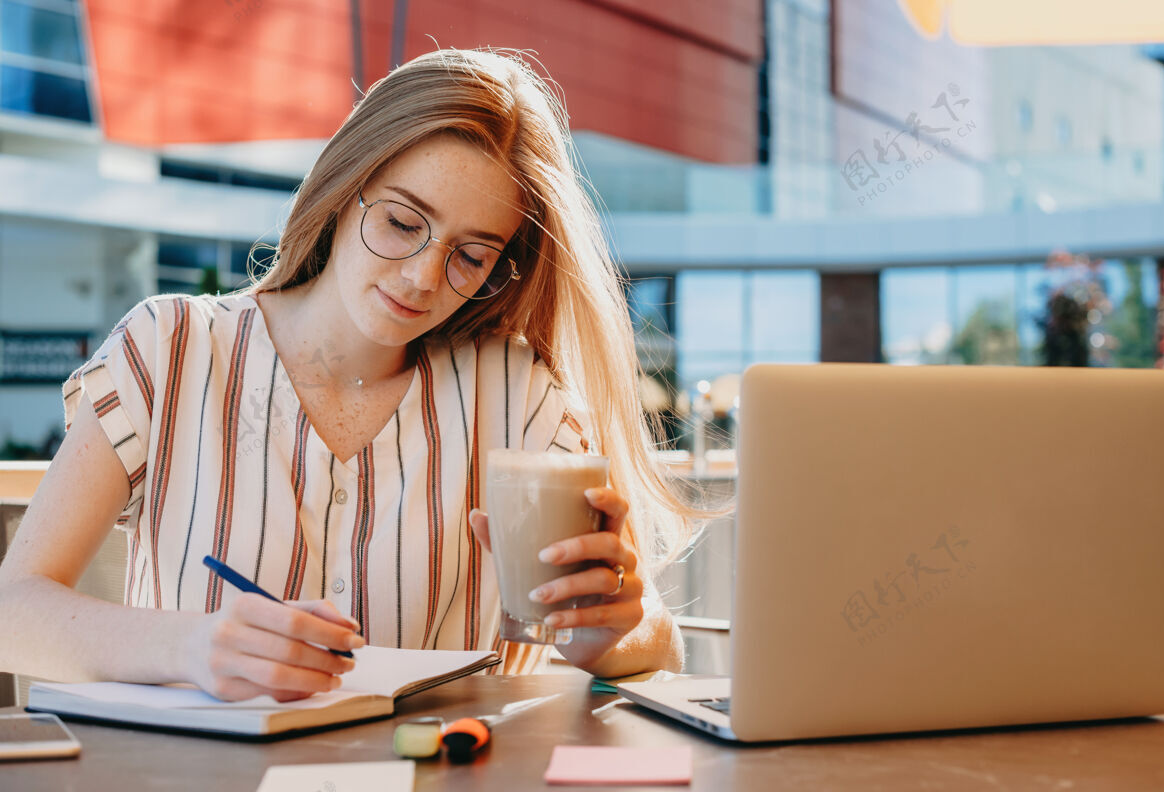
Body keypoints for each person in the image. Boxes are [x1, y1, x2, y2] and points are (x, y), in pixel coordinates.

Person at [0, 48, 702, 702]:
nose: (424, 278)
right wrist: (193, 647)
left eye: (471, 255)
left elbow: (652, 641)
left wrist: (614, 628)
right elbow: (14, 610)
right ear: (344, 189)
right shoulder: (170, 347)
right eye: (402, 223)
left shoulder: (520, 398)